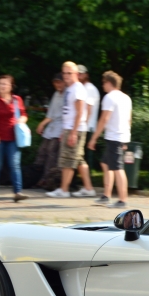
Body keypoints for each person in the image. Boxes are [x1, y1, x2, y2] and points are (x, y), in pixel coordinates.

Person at [48, 61, 96, 198]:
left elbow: (80, 112)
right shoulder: (70, 88)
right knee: (79, 160)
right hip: (70, 128)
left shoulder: (78, 89)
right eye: (64, 73)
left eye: (69, 73)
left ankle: (63, 190)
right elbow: (68, 112)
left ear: (76, 74)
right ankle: (88, 188)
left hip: (76, 129)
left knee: (68, 160)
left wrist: (73, 132)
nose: (66, 76)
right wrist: (64, 130)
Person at [88, 71, 132, 208]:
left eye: (103, 83)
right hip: (120, 136)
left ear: (109, 83)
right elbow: (129, 119)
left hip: (114, 137)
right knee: (105, 164)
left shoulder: (109, 97)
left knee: (118, 168)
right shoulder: (126, 98)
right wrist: (125, 139)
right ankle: (106, 196)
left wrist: (93, 138)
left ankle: (122, 200)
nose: (103, 86)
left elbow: (104, 119)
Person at [0, 75, 29, 202]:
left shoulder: (17, 99)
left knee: (14, 164)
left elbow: (24, 114)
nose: (2, 86)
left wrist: (21, 120)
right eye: (0, 83)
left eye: (5, 84)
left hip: (13, 138)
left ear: (11, 87)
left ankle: (17, 192)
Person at [32, 73, 66, 190]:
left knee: (52, 153)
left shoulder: (68, 95)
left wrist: (65, 131)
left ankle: (47, 179)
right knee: (42, 151)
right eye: (55, 83)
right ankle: (37, 177)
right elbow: (50, 114)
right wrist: (42, 124)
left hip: (61, 128)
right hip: (51, 128)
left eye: (59, 82)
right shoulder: (56, 95)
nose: (57, 85)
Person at [77, 65, 100, 169]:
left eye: (81, 73)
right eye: (77, 73)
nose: (79, 76)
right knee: (81, 157)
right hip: (85, 127)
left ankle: (86, 183)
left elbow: (88, 110)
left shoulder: (89, 89)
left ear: (87, 75)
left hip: (87, 128)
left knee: (83, 158)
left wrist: (82, 125)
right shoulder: (82, 88)